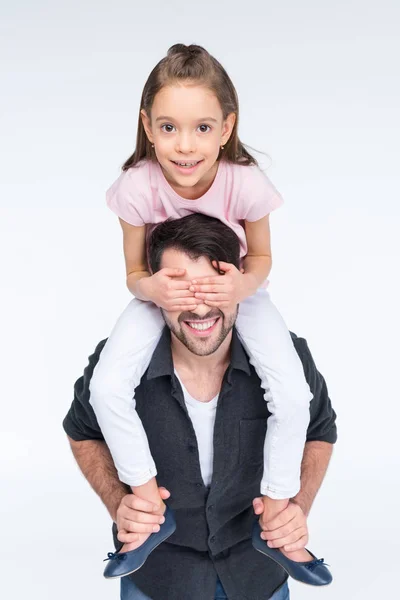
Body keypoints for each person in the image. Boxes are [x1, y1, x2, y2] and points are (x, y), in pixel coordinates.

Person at [89, 42, 315, 576]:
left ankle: (278, 513)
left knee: (291, 392)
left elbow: (260, 258)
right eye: (168, 128)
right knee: (105, 387)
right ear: (147, 126)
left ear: (227, 127)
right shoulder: (137, 188)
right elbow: (133, 274)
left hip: (234, 296)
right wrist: (155, 292)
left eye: (203, 128)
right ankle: (148, 509)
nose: (185, 146)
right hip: (161, 300)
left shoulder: (245, 183)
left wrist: (240, 288)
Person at [63, 214, 337, 599]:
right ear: (156, 293)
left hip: (257, 575)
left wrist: (296, 508)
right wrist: (119, 503)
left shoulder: (286, 360)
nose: (201, 309)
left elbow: (319, 431)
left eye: (213, 289)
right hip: (160, 578)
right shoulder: (116, 366)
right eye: (182, 291)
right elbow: (84, 433)